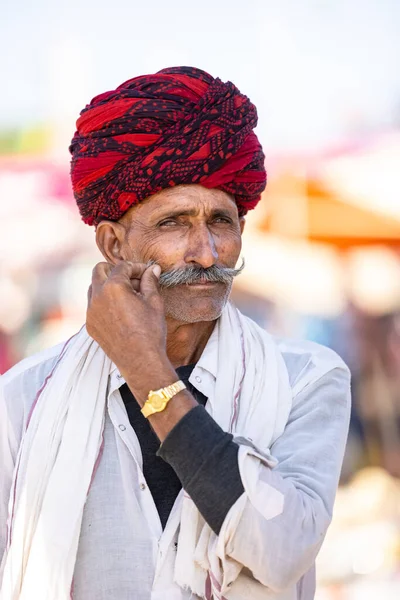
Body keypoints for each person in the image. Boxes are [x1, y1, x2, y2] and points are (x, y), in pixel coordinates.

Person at [0, 67, 351, 600]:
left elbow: (282, 551)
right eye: (173, 224)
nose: (206, 254)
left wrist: (148, 373)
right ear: (114, 246)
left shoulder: (304, 380)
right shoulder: (25, 399)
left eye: (221, 221)